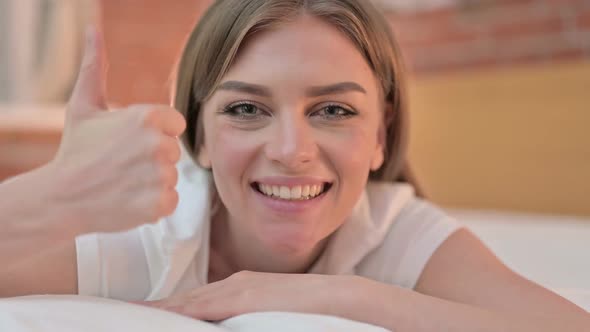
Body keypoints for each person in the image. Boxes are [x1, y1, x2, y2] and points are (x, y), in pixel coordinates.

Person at [1, 0, 588, 331]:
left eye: (333, 109)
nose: (291, 149)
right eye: (247, 108)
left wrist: (347, 297)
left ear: (381, 137)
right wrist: (53, 196)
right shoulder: (148, 238)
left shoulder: (388, 228)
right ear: (200, 139)